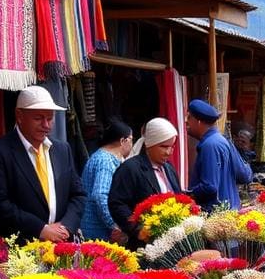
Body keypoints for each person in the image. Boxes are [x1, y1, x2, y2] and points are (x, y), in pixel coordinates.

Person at [0, 85, 86, 243]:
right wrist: (41, 229)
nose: (46, 125)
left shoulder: (62, 150)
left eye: (50, 118)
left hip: (62, 243)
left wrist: (65, 226)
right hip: (22, 247)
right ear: (19, 115)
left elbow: (78, 194)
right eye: (38, 118)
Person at [108, 118, 181, 248]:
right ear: (149, 145)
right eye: (164, 147)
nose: (168, 152)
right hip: (144, 245)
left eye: (172, 147)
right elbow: (117, 203)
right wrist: (138, 229)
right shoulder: (131, 168)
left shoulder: (168, 168)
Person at [186, 98, 254, 210]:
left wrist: (188, 194)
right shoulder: (221, 140)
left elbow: (209, 186)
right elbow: (245, 175)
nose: (186, 122)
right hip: (229, 210)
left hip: (217, 213)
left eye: (189, 117)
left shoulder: (210, 145)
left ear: (198, 122)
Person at [79, 119, 133, 240]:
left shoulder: (100, 156)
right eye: (131, 139)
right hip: (98, 231)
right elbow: (100, 195)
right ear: (123, 141)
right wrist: (113, 224)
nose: (132, 144)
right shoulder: (105, 161)